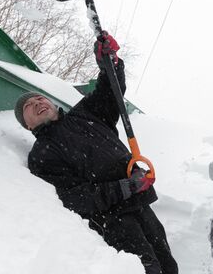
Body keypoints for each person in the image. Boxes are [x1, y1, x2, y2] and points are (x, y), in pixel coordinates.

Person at [14, 32, 178, 274]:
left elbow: (110, 92)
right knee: (146, 269)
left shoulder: (85, 113)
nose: (38, 103)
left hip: (139, 202)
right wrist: (122, 188)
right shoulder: (42, 155)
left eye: (39, 98)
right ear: (27, 125)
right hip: (112, 219)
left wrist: (110, 64)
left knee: (167, 264)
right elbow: (73, 197)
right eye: (29, 106)